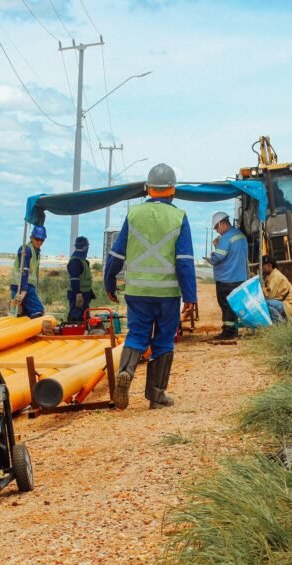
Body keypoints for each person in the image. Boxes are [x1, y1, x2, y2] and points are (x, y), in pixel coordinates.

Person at [104, 162, 196, 409]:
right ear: (172, 190)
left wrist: (109, 281)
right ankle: (156, 396)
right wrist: (190, 296)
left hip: (138, 292)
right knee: (164, 340)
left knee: (136, 335)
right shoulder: (179, 217)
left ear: (148, 189)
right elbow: (184, 261)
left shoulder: (133, 214)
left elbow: (117, 253)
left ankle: (126, 373)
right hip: (167, 295)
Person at [207, 211, 248, 340]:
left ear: (221, 224)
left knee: (226, 306)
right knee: (234, 305)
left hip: (226, 278)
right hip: (240, 277)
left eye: (216, 228)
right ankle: (233, 330)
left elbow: (219, 256)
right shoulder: (240, 235)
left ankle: (228, 332)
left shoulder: (226, 238)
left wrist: (212, 256)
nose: (217, 232)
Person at [9, 224, 46, 318]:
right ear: (32, 237)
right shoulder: (27, 250)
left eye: (42, 240)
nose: (40, 242)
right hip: (23, 285)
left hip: (26, 285)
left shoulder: (36, 251)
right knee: (37, 311)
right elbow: (24, 271)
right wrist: (24, 291)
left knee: (22, 315)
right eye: (37, 239)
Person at [261, 255, 292, 322]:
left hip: (289, 306)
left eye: (263, 265)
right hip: (284, 304)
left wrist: (260, 287)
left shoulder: (275, 276)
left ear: (269, 265)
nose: (262, 267)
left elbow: (268, 296)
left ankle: (279, 323)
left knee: (265, 303)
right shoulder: (270, 275)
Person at [66, 235, 95, 322]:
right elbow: (74, 279)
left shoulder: (82, 260)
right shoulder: (76, 261)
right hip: (77, 294)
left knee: (84, 317)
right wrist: (78, 294)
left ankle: (82, 332)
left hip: (84, 294)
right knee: (77, 317)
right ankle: (74, 333)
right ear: (85, 247)